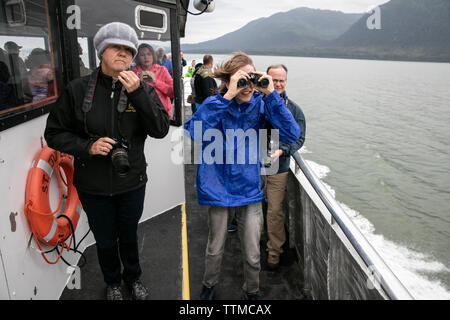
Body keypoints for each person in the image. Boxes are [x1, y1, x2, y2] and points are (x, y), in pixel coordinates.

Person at [44, 22, 170, 300]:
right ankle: (112, 282)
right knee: (104, 239)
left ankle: (133, 278)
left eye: (129, 50)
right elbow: (53, 134)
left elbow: (160, 130)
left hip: (131, 180)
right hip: (93, 184)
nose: (123, 54)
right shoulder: (78, 90)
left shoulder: (143, 89)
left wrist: (138, 93)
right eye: (116, 47)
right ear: (102, 51)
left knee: (128, 235)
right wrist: (88, 146)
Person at [184, 52, 301, 300]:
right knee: (215, 248)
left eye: (251, 79)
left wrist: (271, 95)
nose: (247, 86)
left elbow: (291, 133)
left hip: (248, 189)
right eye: (241, 80)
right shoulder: (216, 103)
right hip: (217, 187)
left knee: (252, 252)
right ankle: (209, 285)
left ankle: (253, 290)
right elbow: (193, 133)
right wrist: (227, 97)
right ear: (227, 81)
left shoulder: (261, 105)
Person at [264, 64, 306, 270]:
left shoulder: (294, 109)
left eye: (282, 80)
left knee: (274, 211)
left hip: (278, 167)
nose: (278, 84)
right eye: (274, 80)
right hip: (252, 165)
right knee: (251, 207)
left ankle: (274, 252)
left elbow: (299, 139)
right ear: (266, 80)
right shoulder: (255, 102)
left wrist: (282, 150)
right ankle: (255, 241)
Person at [132, 43, 174, 117]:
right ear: (138, 57)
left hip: (161, 114)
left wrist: (155, 82)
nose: (146, 57)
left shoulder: (162, 70)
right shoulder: (133, 72)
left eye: (149, 54)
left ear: (153, 55)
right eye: (142, 55)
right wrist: (139, 82)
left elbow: (172, 92)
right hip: (140, 114)